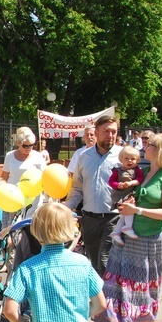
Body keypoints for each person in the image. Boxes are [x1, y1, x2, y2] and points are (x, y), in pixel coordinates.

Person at [94, 133, 162, 322]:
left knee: (145, 286)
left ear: (160, 150)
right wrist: (126, 203)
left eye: (149, 145)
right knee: (116, 283)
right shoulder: (144, 170)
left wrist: (137, 210)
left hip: (151, 240)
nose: (144, 147)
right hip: (128, 236)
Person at [64, 115, 122, 276]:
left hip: (113, 218)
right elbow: (77, 187)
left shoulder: (122, 157)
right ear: (96, 132)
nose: (110, 135)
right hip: (89, 219)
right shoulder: (84, 157)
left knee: (104, 261)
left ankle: (104, 299)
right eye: (106, 131)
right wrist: (67, 207)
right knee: (93, 261)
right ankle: (99, 298)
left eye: (114, 132)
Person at [0, 126, 47, 226]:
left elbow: (45, 177)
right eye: (25, 146)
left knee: (31, 228)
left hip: (33, 199)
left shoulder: (38, 156)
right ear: (18, 143)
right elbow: (4, 177)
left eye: (31, 145)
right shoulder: (10, 156)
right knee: (13, 228)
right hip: (13, 198)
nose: (28, 148)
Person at [108, 146, 144, 246]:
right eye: (126, 158)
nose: (130, 161)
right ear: (121, 159)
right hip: (120, 195)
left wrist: (131, 183)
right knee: (128, 211)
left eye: (133, 159)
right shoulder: (117, 170)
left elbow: (140, 179)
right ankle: (127, 227)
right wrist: (118, 185)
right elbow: (111, 181)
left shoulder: (137, 170)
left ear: (137, 160)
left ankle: (116, 232)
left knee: (124, 214)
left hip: (130, 193)